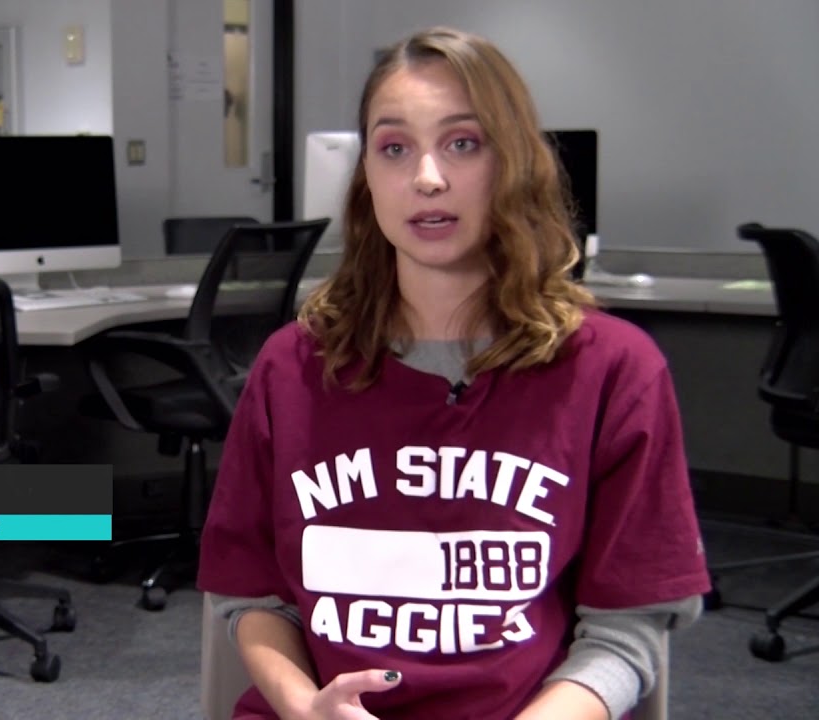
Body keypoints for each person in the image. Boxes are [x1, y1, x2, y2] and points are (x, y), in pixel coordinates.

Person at [196, 26, 710, 720]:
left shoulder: (614, 370)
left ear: (515, 163)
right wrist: (306, 706)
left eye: (463, 143)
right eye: (394, 148)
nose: (427, 177)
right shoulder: (291, 367)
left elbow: (627, 630)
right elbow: (250, 591)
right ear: (367, 177)